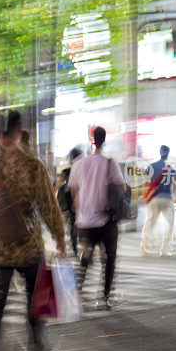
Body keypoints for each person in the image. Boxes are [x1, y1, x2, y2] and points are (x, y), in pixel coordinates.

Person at [0, 111, 66, 351]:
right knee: (36, 298)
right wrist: (59, 236)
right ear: (19, 131)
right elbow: (48, 204)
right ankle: (37, 348)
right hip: (28, 244)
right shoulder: (31, 165)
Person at [69, 126, 126, 310]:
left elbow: (74, 192)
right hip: (106, 220)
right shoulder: (110, 163)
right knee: (109, 257)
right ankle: (106, 296)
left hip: (85, 221)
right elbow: (122, 187)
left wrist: (79, 212)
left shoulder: (79, 163)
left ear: (92, 139)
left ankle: (77, 294)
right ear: (104, 140)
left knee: (85, 257)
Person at [141, 145, 176, 256]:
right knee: (170, 224)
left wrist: (146, 194)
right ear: (168, 155)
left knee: (150, 221)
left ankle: (145, 245)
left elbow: (145, 181)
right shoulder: (171, 169)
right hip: (167, 198)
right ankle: (165, 250)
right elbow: (175, 185)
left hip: (155, 199)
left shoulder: (151, 166)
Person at [56, 148, 82, 257]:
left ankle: (75, 247)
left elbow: (58, 184)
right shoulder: (81, 170)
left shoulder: (67, 171)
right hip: (81, 198)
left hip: (69, 200)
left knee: (73, 224)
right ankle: (86, 247)